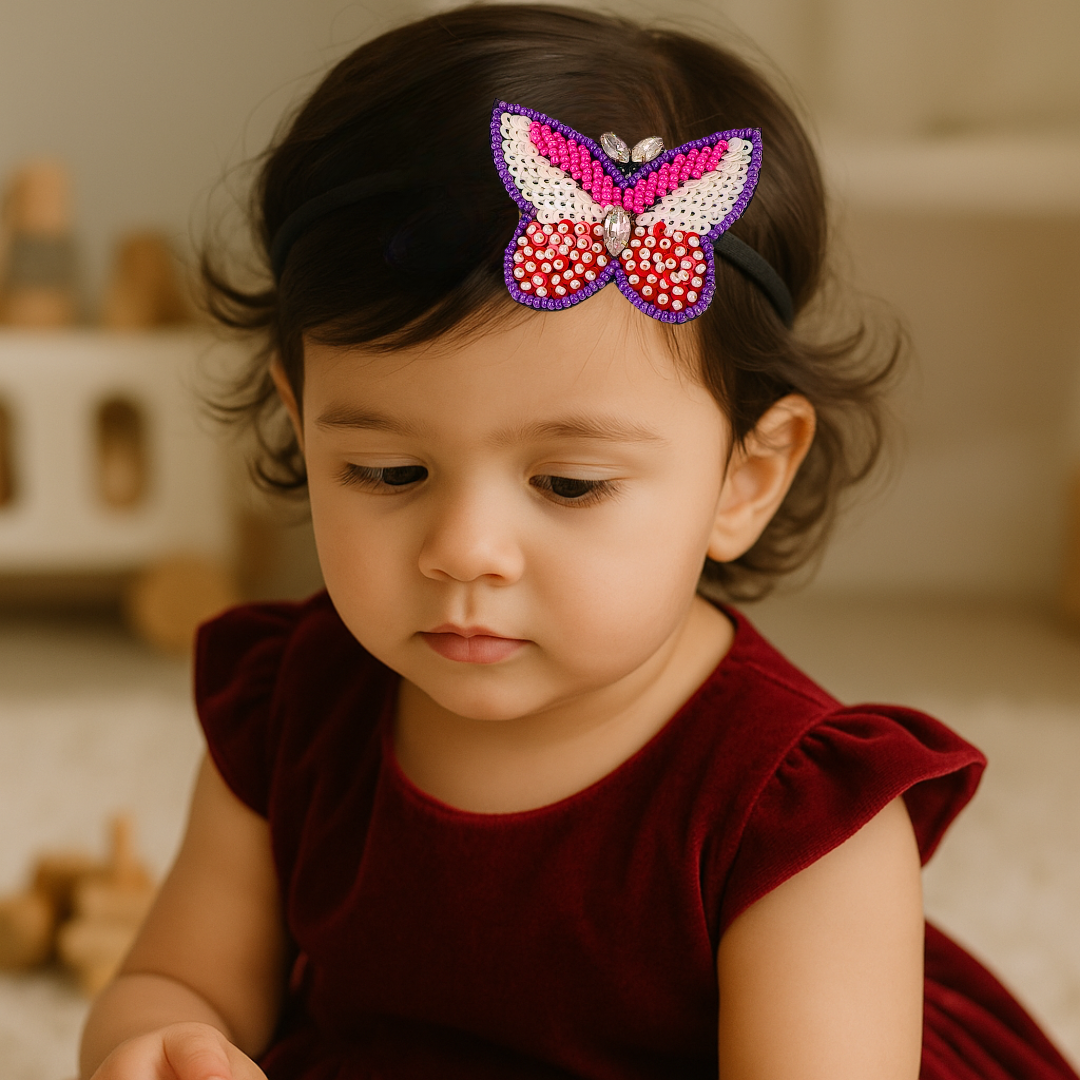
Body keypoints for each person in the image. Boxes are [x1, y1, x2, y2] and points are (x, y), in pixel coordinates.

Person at [79, 6, 1079, 1079]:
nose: (464, 550)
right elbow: (179, 980)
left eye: (568, 483)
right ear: (299, 418)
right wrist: (155, 1045)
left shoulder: (797, 824)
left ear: (745, 478)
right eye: (387, 472)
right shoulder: (292, 712)